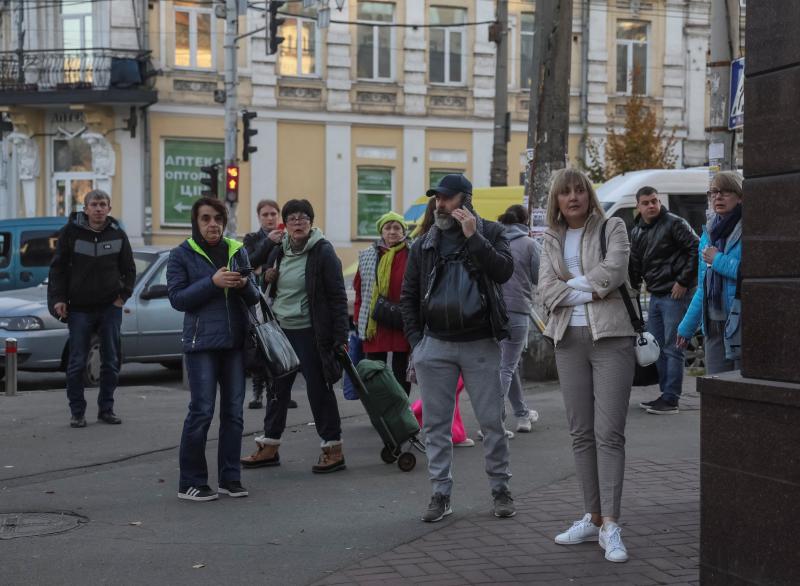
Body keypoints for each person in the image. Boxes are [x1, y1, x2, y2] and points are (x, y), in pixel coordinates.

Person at [401, 173, 515, 523]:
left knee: (491, 422)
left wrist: (474, 238)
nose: (440, 205)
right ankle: (441, 494)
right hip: (435, 346)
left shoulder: (492, 232)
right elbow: (408, 296)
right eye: (437, 199)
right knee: (435, 426)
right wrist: (418, 344)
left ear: (465, 200)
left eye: (447, 199)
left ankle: (500, 489)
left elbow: (504, 271)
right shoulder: (424, 243)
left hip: (479, 343)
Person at [538, 168, 635, 563]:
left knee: (608, 433)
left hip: (611, 338)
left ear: (588, 194)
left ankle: (611, 524)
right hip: (567, 341)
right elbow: (544, 290)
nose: (574, 197)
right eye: (566, 192)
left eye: (580, 190)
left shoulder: (612, 227)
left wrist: (571, 289)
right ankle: (592, 516)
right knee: (581, 433)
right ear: (557, 201)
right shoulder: (551, 238)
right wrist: (588, 290)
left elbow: (615, 272)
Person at [240, 199, 349, 473]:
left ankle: (332, 448)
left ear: (310, 222)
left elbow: (337, 296)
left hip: (311, 332)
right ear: (284, 224)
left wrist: (339, 337)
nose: (297, 223)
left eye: (303, 218)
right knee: (277, 391)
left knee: (318, 389)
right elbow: (247, 265)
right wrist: (268, 277)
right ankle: (270, 446)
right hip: (281, 330)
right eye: (292, 219)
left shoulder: (323, 252)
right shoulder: (278, 250)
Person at [167, 197, 259, 502]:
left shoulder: (236, 249)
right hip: (201, 345)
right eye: (206, 218)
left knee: (234, 414)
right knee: (202, 411)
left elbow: (255, 296)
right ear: (196, 222)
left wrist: (243, 284)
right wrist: (213, 282)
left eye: (218, 218)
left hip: (234, 344)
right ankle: (190, 481)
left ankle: (230, 478)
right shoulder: (181, 254)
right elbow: (178, 299)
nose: (212, 224)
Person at [48, 190, 136, 429]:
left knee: (111, 361)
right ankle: (77, 413)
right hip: (79, 309)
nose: (98, 209)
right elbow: (57, 270)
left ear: (109, 208)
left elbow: (129, 269)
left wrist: (123, 297)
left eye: (103, 205)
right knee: (76, 362)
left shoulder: (118, 234)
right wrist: (58, 299)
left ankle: (106, 410)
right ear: (85, 209)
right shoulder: (71, 233)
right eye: (94, 205)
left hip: (110, 307)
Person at [409, 198, 475, 449]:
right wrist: (416, 338)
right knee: (449, 384)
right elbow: (411, 293)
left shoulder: (451, 239)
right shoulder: (425, 245)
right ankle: (419, 411)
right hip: (437, 329)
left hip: (449, 325)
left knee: (451, 385)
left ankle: (454, 431)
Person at [628, 186, 700, 415]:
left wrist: (683, 281)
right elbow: (636, 263)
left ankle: (671, 398)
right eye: (646, 202)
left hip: (676, 294)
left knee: (673, 348)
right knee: (657, 348)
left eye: (655, 201)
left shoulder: (674, 223)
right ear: (638, 206)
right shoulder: (637, 231)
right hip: (656, 295)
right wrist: (633, 290)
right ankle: (665, 395)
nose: (652, 205)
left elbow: (696, 248)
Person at [677, 171, 743, 374]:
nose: (718, 197)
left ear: (741, 197)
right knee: (716, 389)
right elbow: (702, 286)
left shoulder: (750, 229)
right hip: (713, 324)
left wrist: (718, 260)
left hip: (741, 323)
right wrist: (687, 326)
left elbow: (752, 273)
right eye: (713, 192)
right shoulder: (708, 235)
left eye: (725, 192)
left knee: (743, 388)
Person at [243, 199, 296, 411]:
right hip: (256, 299)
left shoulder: (287, 237)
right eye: (265, 215)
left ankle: (279, 391)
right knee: (259, 346)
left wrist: (263, 271)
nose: (270, 218)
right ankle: (257, 393)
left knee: (278, 346)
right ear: (259, 217)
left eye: (273, 214)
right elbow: (249, 263)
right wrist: (268, 243)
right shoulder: (252, 238)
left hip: (280, 298)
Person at [353, 211, 411, 394]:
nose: (392, 232)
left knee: (401, 370)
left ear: (404, 231)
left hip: (403, 319)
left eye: (397, 228)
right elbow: (360, 289)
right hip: (375, 321)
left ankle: (402, 410)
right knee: (374, 370)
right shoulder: (368, 255)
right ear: (381, 232)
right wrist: (357, 317)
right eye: (388, 228)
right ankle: (380, 408)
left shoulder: (412, 253)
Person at [497, 204, 541, 433]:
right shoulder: (530, 244)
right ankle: (492, 421)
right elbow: (538, 277)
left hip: (494, 312)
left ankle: (523, 414)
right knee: (506, 366)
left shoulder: (494, 241)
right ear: (525, 221)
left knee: (509, 364)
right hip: (517, 309)